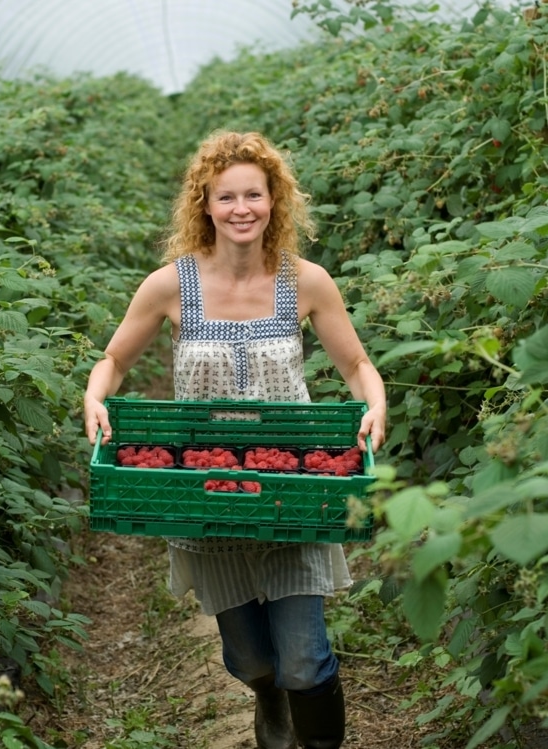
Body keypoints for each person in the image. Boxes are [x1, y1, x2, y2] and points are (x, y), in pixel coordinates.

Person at [84, 130, 386, 749]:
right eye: (227, 197)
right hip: (207, 491)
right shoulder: (172, 286)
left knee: (305, 657)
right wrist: (94, 395)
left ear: (275, 201)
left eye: (255, 194)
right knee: (253, 661)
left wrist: (373, 403)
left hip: (291, 488)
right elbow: (113, 359)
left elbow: (357, 366)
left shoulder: (305, 282)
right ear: (206, 205)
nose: (242, 208)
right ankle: (266, 697)